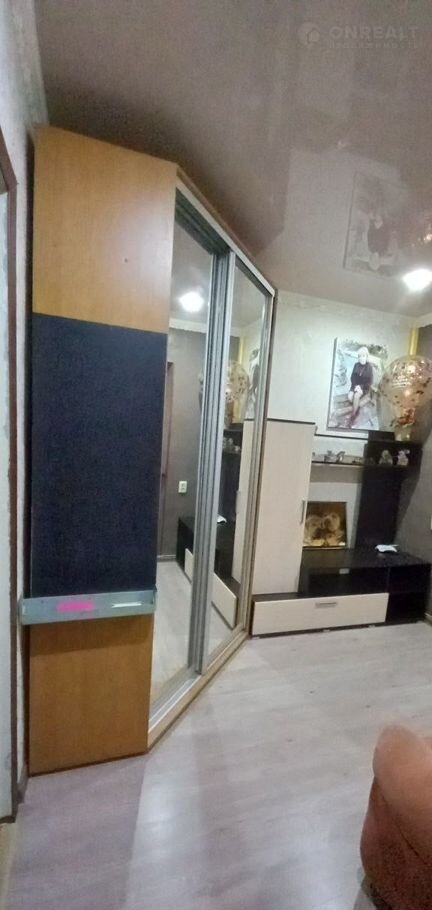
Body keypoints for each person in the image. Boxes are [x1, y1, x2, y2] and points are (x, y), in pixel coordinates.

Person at [347, 346, 373, 426]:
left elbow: (369, 382)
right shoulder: (356, 365)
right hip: (355, 386)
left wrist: (361, 387)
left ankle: (353, 415)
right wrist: (355, 386)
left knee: (356, 396)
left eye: (363, 356)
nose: (361, 358)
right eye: (360, 356)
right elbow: (352, 377)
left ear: (367, 357)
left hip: (364, 388)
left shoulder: (369, 367)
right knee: (350, 397)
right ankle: (357, 408)